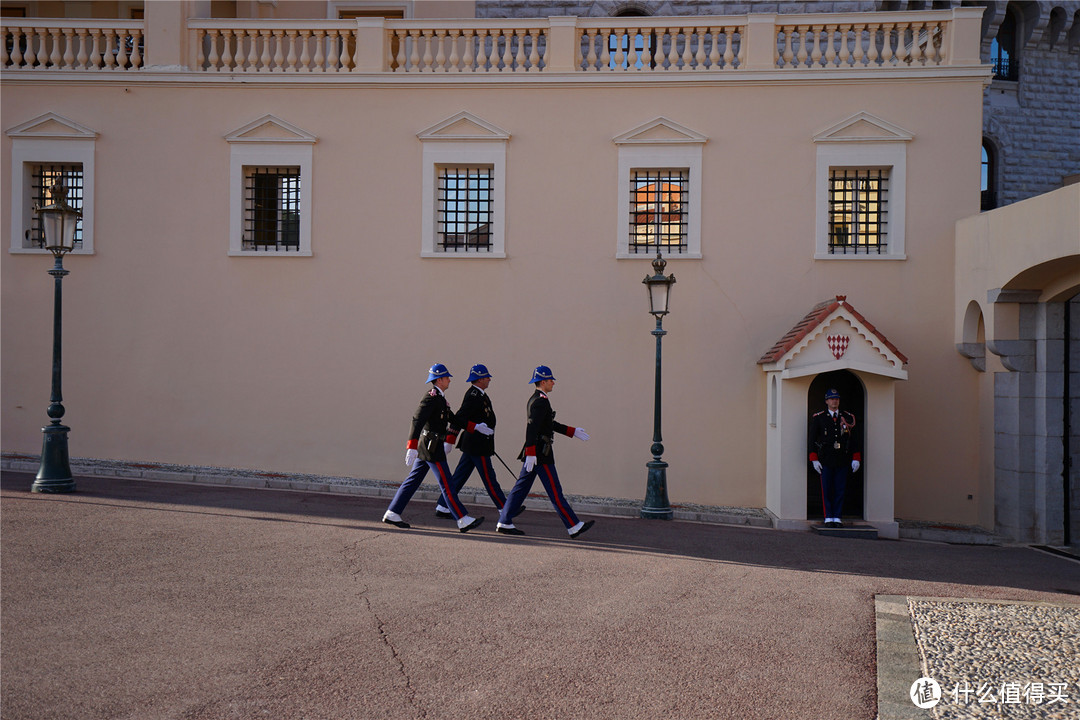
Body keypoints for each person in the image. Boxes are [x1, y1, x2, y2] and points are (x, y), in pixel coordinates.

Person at [496, 365, 594, 539]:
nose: (553, 382)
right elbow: (532, 428)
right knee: (555, 491)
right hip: (541, 454)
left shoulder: (539, 399)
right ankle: (573, 525)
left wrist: (572, 431)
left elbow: (549, 424)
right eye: (550, 380)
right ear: (543, 381)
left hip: (537, 452)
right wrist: (532, 452)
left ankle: (504, 521)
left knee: (520, 489)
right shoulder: (541, 401)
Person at [382, 364, 483, 533]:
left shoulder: (440, 398)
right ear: (439, 379)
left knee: (413, 480)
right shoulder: (431, 398)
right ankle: (462, 519)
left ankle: (392, 512)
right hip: (431, 448)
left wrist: (474, 427)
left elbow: (452, 418)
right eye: (447, 377)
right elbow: (417, 420)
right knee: (447, 483)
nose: (449, 379)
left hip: (429, 446)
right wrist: (411, 446)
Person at [434, 363, 514, 519]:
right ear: (479, 379)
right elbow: (459, 417)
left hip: (476, 444)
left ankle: (443, 505)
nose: (489, 379)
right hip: (477, 445)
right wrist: (450, 439)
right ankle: (505, 509)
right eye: (486, 377)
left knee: (459, 477)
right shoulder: (473, 396)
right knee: (490, 479)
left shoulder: (481, 395)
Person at [808, 388, 861, 528]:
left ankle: (837, 517)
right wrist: (814, 459)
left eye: (836, 398)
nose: (834, 401)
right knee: (827, 489)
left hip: (842, 458)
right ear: (826, 401)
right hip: (826, 459)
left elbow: (854, 439)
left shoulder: (847, 417)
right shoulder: (819, 417)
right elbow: (812, 439)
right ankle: (828, 516)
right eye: (831, 399)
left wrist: (856, 458)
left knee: (840, 489)